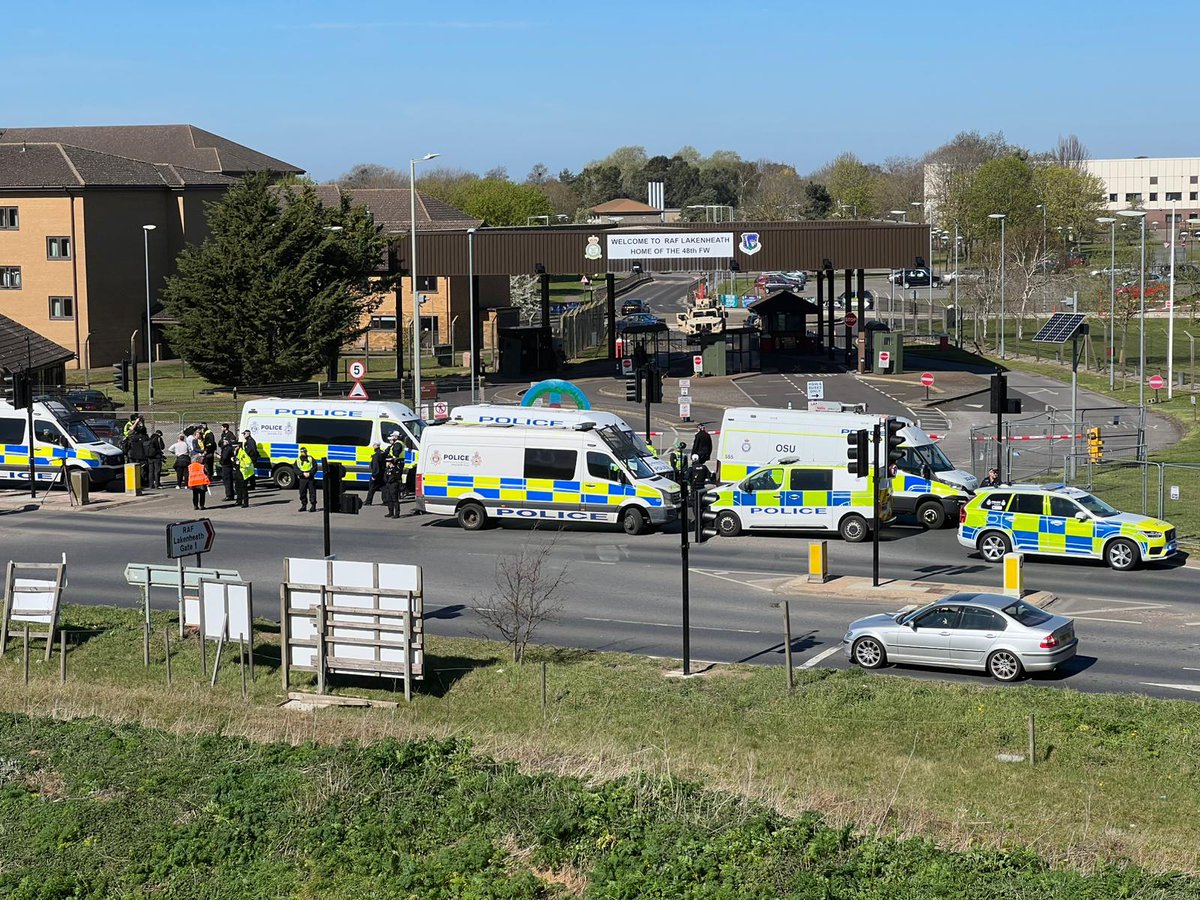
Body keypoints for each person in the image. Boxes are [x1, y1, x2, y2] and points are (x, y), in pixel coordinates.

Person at [295, 448, 317, 512]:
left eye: (304, 452)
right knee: (302, 492)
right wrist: (302, 474)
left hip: (310, 477)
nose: (303, 453)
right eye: (302, 452)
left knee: (312, 492)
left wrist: (310, 473)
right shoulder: (298, 460)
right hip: (302, 478)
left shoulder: (310, 458)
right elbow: (295, 469)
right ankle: (304, 505)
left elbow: (315, 467)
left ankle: (313, 506)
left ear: (306, 452)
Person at [218, 428, 237, 501]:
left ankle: (229, 495)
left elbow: (225, 458)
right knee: (229, 481)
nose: (223, 442)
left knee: (227, 481)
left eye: (225, 441)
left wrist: (220, 457)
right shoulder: (228, 448)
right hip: (228, 466)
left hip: (226, 466)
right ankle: (230, 494)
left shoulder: (227, 448)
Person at [234, 442, 254, 508]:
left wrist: (241, 465)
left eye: (235, 447)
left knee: (243, 488)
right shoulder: (237, 452)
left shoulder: (243, 453)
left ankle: (245, 503)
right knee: (237, 487)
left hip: (242, 472)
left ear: (238, 446)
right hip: (238, 471)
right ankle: (239, 501)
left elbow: (248, 462)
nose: (234, 448)